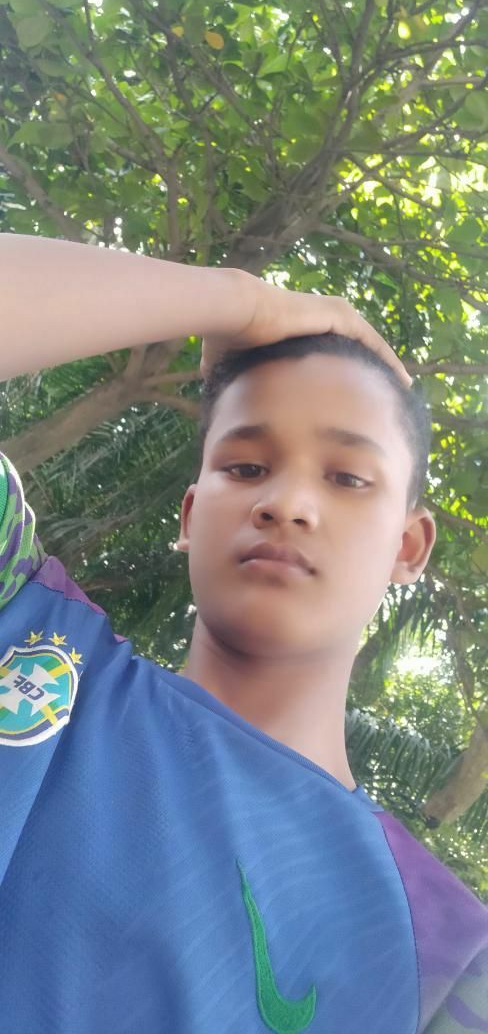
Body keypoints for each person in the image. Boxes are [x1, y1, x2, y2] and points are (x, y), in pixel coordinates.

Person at [0, 235, 486, 1034]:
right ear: (192, 516)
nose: (286, 503)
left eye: (347, 477)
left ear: (408, 546)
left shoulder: (446, 958)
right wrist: (239, 299)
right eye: (247, 467)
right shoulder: (31, 634)